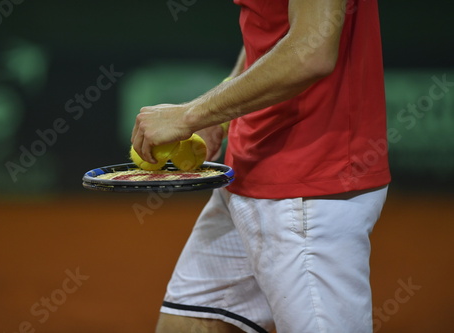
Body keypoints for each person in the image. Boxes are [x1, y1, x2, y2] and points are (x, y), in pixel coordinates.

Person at [131, 0, 391, 332]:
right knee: (187, 324)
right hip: (250, 170)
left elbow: (311, 52)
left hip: (307, 188)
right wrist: (220, 109)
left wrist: (189, 114)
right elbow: (271, 29)